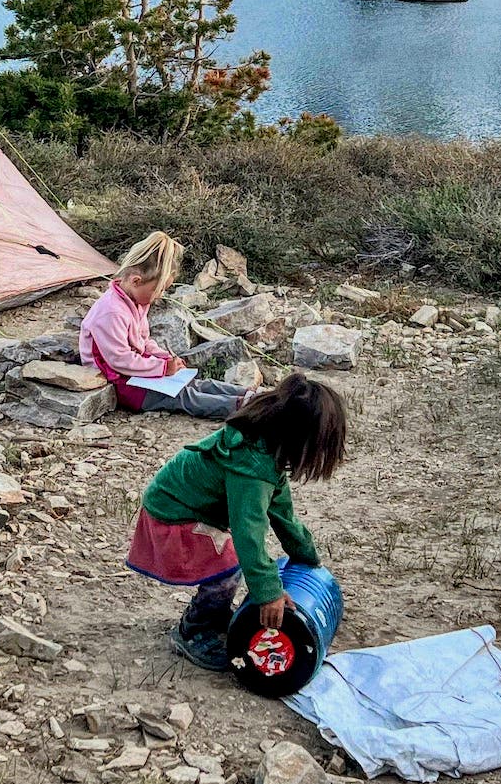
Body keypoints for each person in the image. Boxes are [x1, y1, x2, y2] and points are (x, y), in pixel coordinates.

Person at [126, 373, 348, 669]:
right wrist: (268, 593)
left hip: (190, 509)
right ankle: (193, 631)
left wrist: (305, 555)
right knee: (227, 564)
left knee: (229, 560)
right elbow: (249, 533)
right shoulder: (251, 466)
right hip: (173, 514)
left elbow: (282, 513)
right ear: (299, 437)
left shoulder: (269, 450)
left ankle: (215, 615)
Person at [80, 232, 256, 419]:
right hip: (121, 382)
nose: (160, 295)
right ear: (136, 281)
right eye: (159, 289)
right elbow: (120, 360)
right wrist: (162, 368)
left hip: (135, 372)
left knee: (194, 383)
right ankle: (244, 409)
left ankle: (254, 397)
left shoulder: (135, 301)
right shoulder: (111, 312)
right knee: (183, 396)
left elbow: (143, 340)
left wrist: (164, 358)